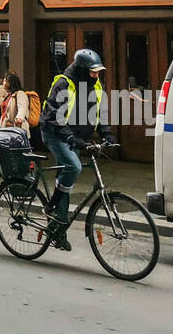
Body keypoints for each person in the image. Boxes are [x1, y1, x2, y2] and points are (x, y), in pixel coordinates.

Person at [40, 49, 120, 251]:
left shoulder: (95, 85)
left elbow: (99, 113)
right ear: (83, 70)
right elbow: (53, 118)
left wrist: (107, 134)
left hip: (76, 138)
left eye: (98, 71)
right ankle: (51, 205)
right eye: (93, 72)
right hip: (55, 134)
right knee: (73, 167)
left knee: (67, 179)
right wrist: (71, 138)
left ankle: (57, 229)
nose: (96, 75)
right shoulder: (64, 84)